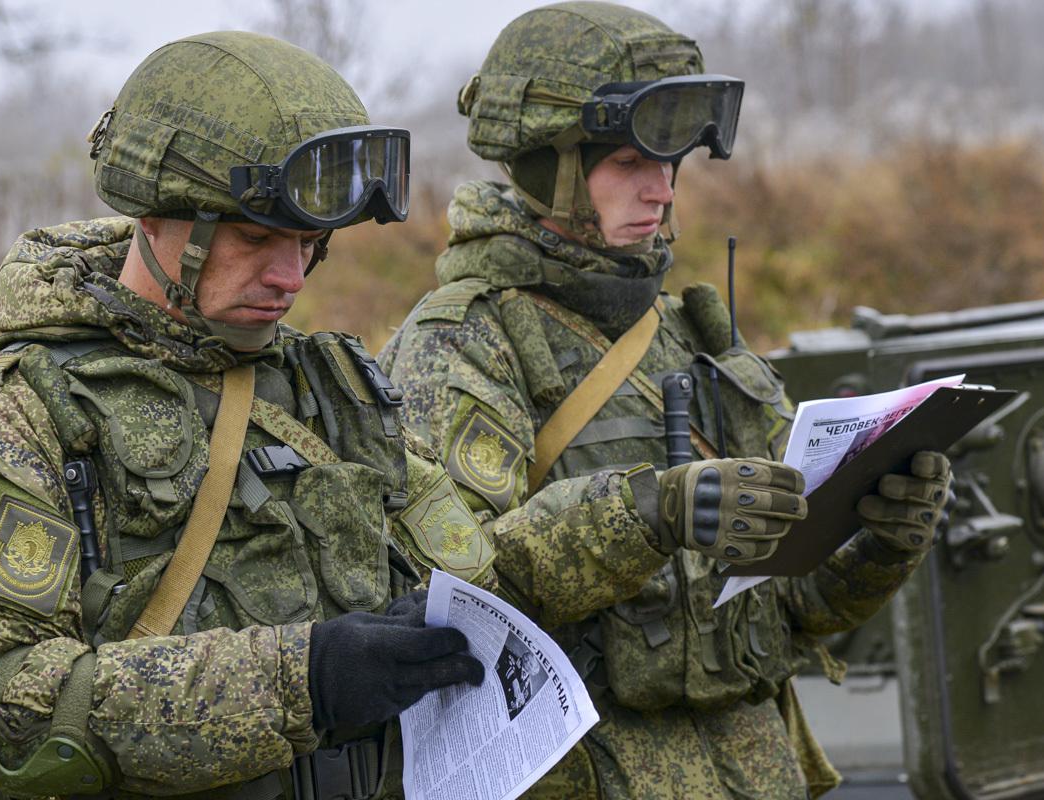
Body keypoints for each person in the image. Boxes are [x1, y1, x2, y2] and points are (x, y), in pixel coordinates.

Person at [0, 32, 504, 800]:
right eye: (254, 238)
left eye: (310, 243)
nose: (288, 277)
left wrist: (638, 513)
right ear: (156, 216)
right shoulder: (18, 417)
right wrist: (301, 681)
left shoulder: (328, 389)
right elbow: (5, 706)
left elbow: (476, 566)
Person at [379, 3, 952, 798]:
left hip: (757, 769)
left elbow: (797, 607)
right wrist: (648, 513)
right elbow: (452, 599)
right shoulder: (463, 343)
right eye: (628, 164)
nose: (663, 191)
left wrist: (881, 540)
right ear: (551, 167)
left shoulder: (689, 332)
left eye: (673, 163)